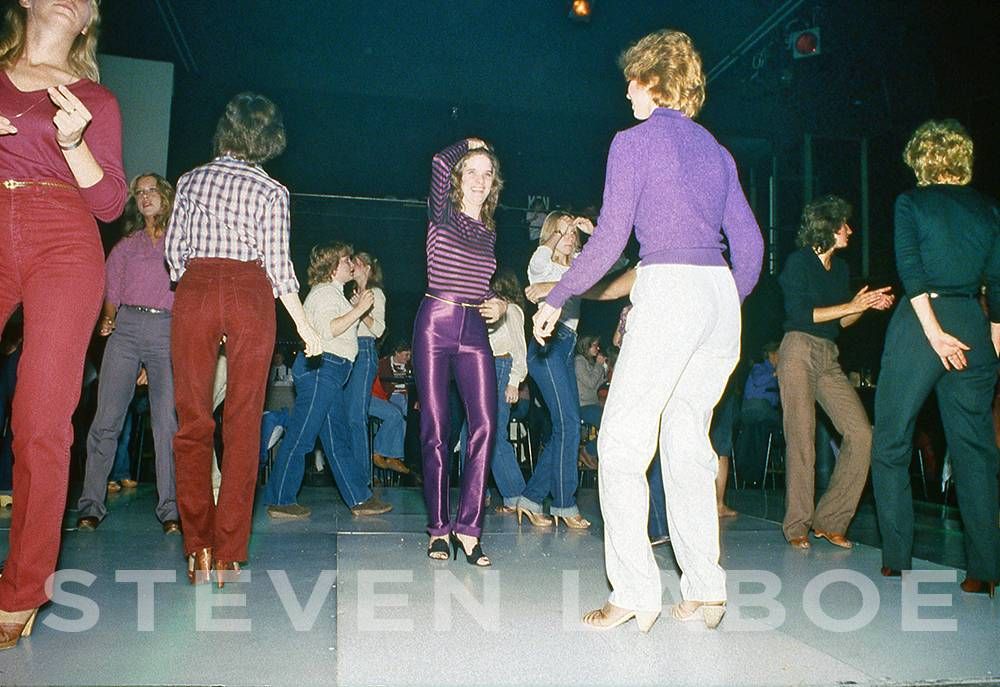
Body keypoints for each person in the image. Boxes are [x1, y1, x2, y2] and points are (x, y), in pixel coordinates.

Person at [532, 29, 763, 631]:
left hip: (672, 285)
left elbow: (610, 238)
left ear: (651, 81)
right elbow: (753, 247)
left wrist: (558, 295)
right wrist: (716, 302)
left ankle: (635, 593)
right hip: (718, 296)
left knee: (620, 445)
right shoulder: (717, 151)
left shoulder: (633, 142)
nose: (626, 92)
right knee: (688, 443)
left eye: (632, 80)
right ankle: (706, 591)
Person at [0, 0, 127, 649]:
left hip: (64, 240)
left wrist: (73, 143)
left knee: (41, 416)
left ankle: (21, 589)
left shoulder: (95, 100)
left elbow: (109, 204)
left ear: (89, 23)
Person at [165, 92, 322, 588]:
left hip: (196, 285)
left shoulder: (190, 179)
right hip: (251, 290)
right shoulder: (274, 191)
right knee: (242, 422)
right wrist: (305, 324)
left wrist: (194, 280)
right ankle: (231, 552)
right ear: (270, 138)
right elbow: (279, 268)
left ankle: (198, 550)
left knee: (192, 421)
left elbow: (174, 253)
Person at [872, 119, 999, 596]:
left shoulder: (911, 202)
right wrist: (993, 339)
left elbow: (912, 270)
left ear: (921, 159)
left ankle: (896, 558)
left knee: (890, 438)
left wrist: (935, 334)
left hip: (921, 325)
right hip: (971, 321)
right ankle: (985, 568)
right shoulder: (989, 209)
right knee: (975, 450)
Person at [776, 195, 893, 551]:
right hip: (797, 348)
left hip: (828, 355)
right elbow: (802, 314)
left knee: (861, 434)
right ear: (828, 226)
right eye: (844, 224)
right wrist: (851, 304)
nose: (850, 230)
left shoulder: (840, 270)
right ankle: (797, 525)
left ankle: (830, 520)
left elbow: (840, 321)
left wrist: (864, 306)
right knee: (802, 437)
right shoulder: (798, 263)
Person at [415, 137, 508, 566]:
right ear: (458, 178)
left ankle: (469, 529)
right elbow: (438, 158)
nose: (479, 179)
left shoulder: (489, 230)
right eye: (471, 170)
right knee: (436, 428)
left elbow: (480, 282)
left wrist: (501, 302)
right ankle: (438, 528)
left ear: (494, 184)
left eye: (487, 173)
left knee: (486, 424)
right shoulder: (442, 213)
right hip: (436, 321)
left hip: (474, 327)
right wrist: (470, 144)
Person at [76, 173, 180, 534]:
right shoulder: (126, 246)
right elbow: (112, 294)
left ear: (166, 197)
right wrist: (107, 322)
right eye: (139, 193)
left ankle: (170, 509)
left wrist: (155, 363)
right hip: (126, 329)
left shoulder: (181, 243)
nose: (145, 197)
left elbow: (187, 294)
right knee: (106, 420)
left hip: (166, 330)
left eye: (152, 190)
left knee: (166, 423)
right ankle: (91, 504)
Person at [264, 242, 390, 520]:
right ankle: (282, 500)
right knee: (302, 435)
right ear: (334, 266)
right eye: (346, 260)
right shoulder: (323, 293)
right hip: (322, 370)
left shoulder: (335, 295)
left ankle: (359, 498)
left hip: (332, 372)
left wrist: (356, 308)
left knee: (337, 439)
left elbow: (344, 328)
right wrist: (359, 311)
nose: (351, 264)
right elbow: (328, 329)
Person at [520, 211, 595, 529]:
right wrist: (556, 232)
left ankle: (532, 498)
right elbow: (538, 263)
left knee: (565, 426)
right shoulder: (543, 261)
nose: (568, 235)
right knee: (568, 424)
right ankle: (564, 504)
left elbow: (611, 266)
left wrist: (594, 232)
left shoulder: (579, 264)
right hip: (547, 344)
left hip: (567, 347)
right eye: (561, 230)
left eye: (570, 232)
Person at [344, 253, 386, 477]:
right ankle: (354, 473)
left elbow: (379, 329)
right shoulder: (351, 293)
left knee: (356, 415)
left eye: (356, 263)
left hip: (365, 351)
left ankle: (362, 477)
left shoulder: (375, 294)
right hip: (349, 351)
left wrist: (360, 312)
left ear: (368, 268)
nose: (352, 266)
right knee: (348, 413)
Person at [575, 335, 608, 470]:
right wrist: (599, 366)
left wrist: (603, 370)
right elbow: (590, 382)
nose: (598, 348)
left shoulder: (590, 363)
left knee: (613, 421)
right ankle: (588, 451)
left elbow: (596, 385)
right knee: (608, 423)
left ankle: (590, 451)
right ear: (586, 346)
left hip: (592, 404)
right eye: (595, 345)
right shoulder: (579, 361)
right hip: (583, 406)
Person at [377, 340, 412, 416]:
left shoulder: (410, 365)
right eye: (406, 355)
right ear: (397, 353)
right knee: (403, 404)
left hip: (408, 395)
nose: (409, 358)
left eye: (410, 355)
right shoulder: (383, 364)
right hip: (390, 395)